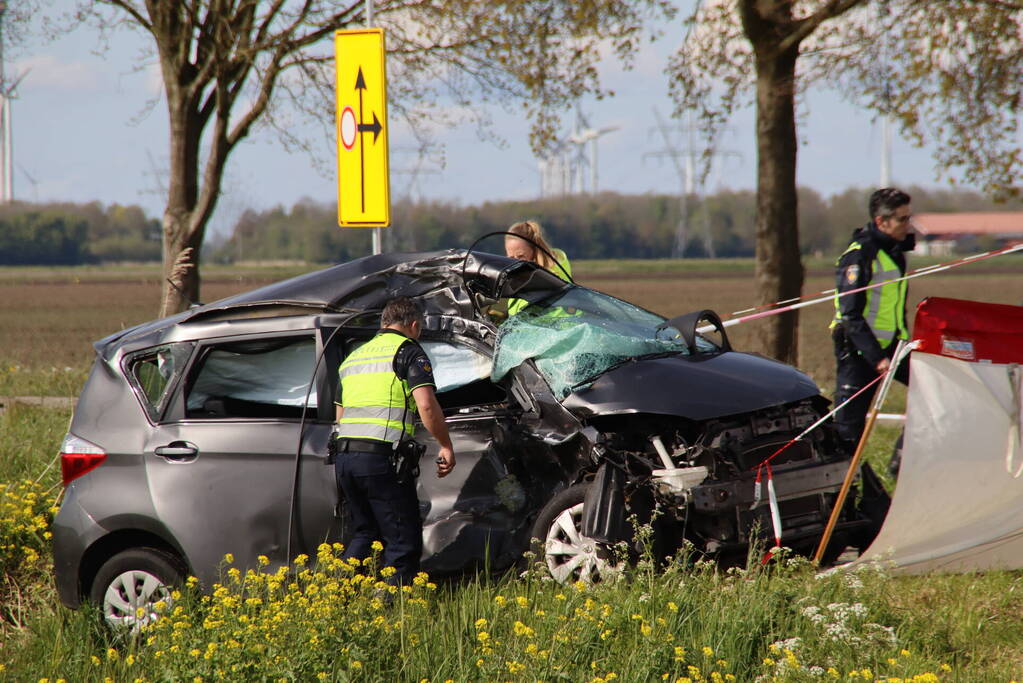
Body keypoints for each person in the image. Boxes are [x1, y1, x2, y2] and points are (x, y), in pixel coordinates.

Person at [333, 296, 455, 585]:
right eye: (420, 329)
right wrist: (446, 445)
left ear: (383, 322)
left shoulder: (355, 357)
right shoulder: (408, 352)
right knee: (402, 538)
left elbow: (339, 415)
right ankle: (393, 607)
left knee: (365, 532)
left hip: (345, 458)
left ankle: (340, 598)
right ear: (413, 325)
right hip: (381, 459)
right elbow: (426, 405)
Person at [831, 188, 915, 460]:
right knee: (848, 430)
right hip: (859, 351)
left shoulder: (893, 251)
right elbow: (850, 315)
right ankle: (848, 491)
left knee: (936, 392)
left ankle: (902, 462)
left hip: (895, 346)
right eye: (902, 219)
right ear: (881, 221)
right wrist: (877, 358)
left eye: (908, 217)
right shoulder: (859, 255)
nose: (908, 224)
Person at [504, 220, 572, 317]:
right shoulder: (520, 276)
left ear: (535, 250)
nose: (515, 262)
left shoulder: (548, 276)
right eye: (510, 257)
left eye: (521, 256)